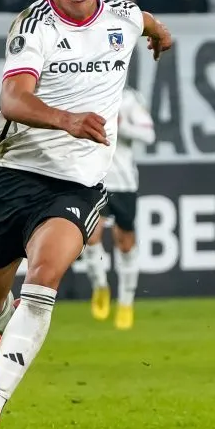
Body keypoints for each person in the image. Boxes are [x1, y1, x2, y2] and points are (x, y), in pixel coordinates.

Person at [0, 0, 172, 429]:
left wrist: (160, 35)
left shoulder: (123, 18)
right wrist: (67, 120)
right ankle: (14, 331)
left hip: (76, 185)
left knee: (45, 276)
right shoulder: (34, 27)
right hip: (10, 177)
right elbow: (13, 99)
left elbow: (147, 22)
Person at [83, 85, 156, 330]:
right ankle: (100, 286)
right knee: (90, 236)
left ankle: (126, 302)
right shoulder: (86, 91)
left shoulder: (130, 99)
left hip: (123, 182)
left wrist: (120, 126)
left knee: (124, 242)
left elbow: (149, 135)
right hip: (94, 179)